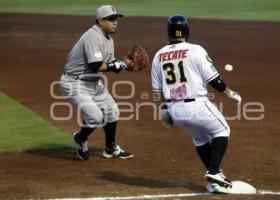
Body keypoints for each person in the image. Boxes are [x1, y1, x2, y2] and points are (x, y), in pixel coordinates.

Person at [151, 14, 242, 192]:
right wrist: (230, 93)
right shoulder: (196, 50)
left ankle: (215, 180)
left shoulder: (158, 56)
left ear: (169, 33)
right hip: (196, 105)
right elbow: (214, 80)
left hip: (174, 109)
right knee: (222, 130)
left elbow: (157, 91)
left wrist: (164, 111)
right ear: (187, 31)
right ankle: (214, 171)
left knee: (200, 138)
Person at [60, 5, 133, 161]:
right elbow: (96, 65)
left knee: (112, 111)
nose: (115, 22)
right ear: (100, 21)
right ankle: (80, 138)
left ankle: (110, 148)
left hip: (92, 83)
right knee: (95, 117)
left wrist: (124, 64)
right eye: (111, 19)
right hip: (74, 83)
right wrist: (116, 65)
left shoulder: (108, 38)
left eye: (116, 19)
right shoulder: (93, 36)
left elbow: (111, 63)